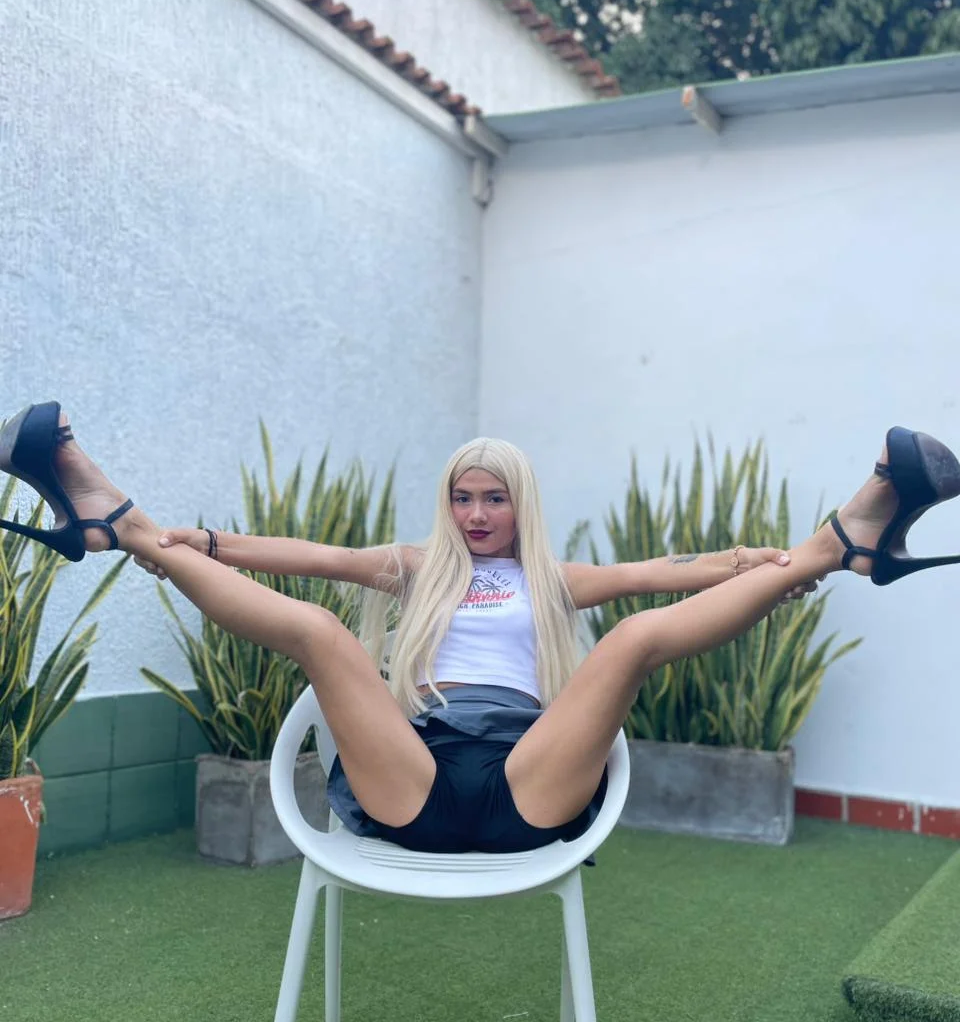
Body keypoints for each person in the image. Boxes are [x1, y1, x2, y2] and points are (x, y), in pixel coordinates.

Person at [2, 402, 959, 854]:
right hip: (413, 780)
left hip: (527, 783)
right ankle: (128, 530)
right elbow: (313, 557)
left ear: (519, 504)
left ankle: (832, 547)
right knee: (323, 634)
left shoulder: (552, 580)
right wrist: (210, 541)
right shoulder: (419, 567)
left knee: (631, 641)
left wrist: (749, 563)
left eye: (492, 498)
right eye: (462, 497)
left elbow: (661, 574)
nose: (474, 514)